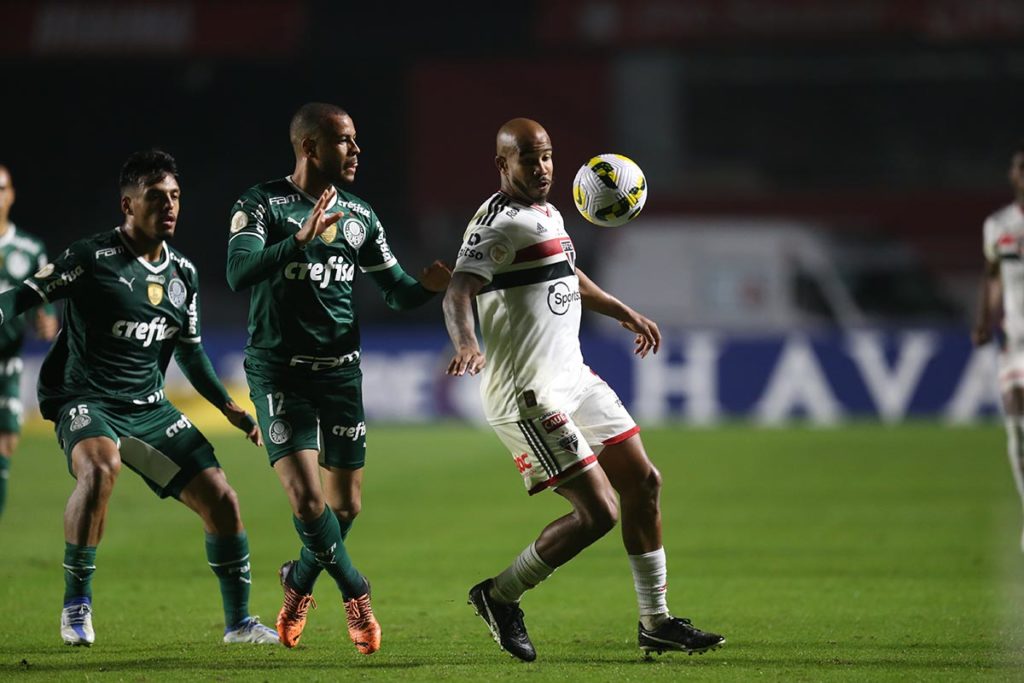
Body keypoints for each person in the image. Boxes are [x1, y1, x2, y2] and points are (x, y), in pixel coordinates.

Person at [443, 118, 725, 661]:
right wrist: (466, 343)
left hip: (574, 378)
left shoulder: (547, 211)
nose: (542, 167)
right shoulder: (496, 226)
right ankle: (500, 596)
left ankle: (657, 621)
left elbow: (566, 274)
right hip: (529, 394)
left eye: (547, 156)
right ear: (503, 165)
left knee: (643, 483)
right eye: (528, 158)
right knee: (598, 513)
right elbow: (458, 289)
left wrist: (623, 310)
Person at [0, 150, 279, 647]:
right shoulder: (90, 258)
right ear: (127, 204)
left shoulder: (183, 276)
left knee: (223, 500)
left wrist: (228, 407)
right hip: (84, 399)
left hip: (149, 407)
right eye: (156, 197)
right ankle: (76, 607)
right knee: (101, 468)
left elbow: (190, 355)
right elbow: (19, 297)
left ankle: (238, 624)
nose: (169, 206)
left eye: (174, 197)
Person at [226, 102, 451, 653]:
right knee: (307, 503)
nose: (356, 150)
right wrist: (298, 241)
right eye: (345, 141)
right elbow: (238, 273)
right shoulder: (261, 205)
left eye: (355, 140)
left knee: (345, 507)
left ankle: (298, 581)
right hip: (279, 373)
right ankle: (355, 590)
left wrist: (427, 287)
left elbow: (395, 291)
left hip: (341, 376)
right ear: (310, 148)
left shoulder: (360, 215)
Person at [973, 141, 1024, 550]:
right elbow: (992, 278)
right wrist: (984, 320)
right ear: (1013, 175)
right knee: (1016, 431)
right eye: (1019, 167)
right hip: (1014, 343)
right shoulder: (998, 225)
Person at [0, 164, 59, 519]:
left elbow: (45, 306)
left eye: (2, 188)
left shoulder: (30, 249)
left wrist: (46, 321)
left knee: (6, 442)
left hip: (7, 362)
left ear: (12, 194)